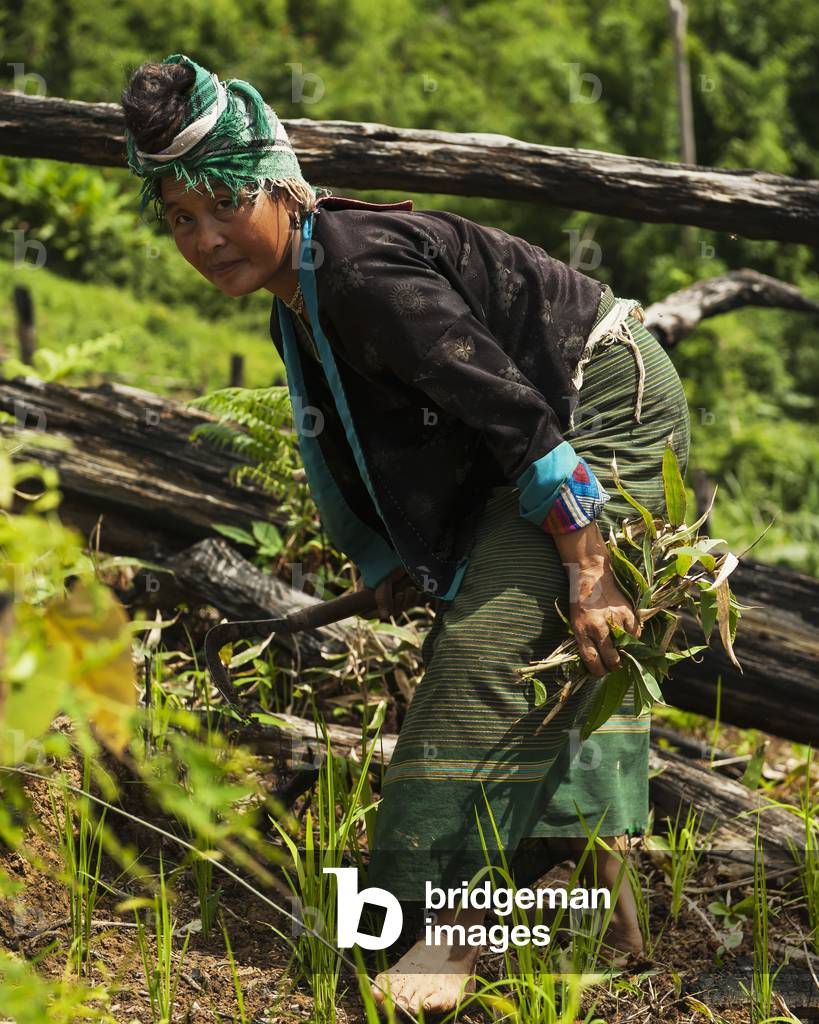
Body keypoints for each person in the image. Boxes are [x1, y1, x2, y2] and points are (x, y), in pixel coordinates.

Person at [121, 54, 691, 1017]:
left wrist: (588, 568)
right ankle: (602, 912)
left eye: (223, 204)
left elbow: (513, 415)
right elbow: (358, 445)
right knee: (519, 634)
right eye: (181, 217)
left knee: (485, 651)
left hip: (600, 405)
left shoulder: (358, 270)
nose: (206, 237)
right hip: (536, 425)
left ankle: (439, 932)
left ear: (279, 187)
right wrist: (390, 562)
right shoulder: (298, 301)